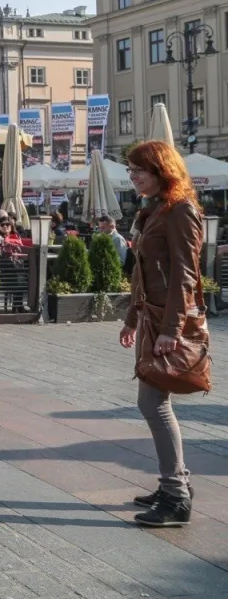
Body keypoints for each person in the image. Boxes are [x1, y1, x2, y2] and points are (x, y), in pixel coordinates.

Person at [120, 140, 202, 527]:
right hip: (151, 318)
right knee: (152, 402)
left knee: (154, 404)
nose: (133, 176)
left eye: (139, 170)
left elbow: (186, 275)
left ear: (161, 170)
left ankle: (176, 495)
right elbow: (143, 272)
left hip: (167, 322)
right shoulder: (154, 210)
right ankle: (176, 483)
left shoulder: (181, 210)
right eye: (131, 170)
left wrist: (172, 329)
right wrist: (131, 318)